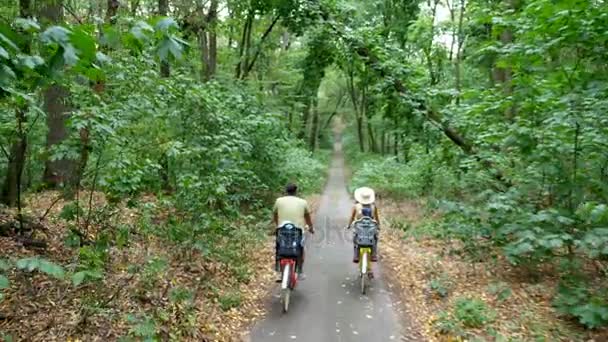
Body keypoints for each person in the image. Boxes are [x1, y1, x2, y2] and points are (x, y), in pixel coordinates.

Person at [272, 183, 314, 280]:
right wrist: (311, 228)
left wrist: (277, 225)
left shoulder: (279, 201)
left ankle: (279, 271)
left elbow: (275, 214)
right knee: (301, 248)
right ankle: (299, 271)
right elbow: (307, 217)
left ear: (286, 191)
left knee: (279, 248)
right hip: (297, 230)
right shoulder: (303, 202)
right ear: (296, 191)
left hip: (282, 229)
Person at [348, 187, 380, 263]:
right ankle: (373, 254)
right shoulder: (373, 207)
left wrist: (349, 225)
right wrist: (378, 226)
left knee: (355, 238)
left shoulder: (356, 206)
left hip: (359, 229)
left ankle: (356, 255)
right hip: (370, 230)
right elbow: (376, 219)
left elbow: (352, 218)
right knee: (375, 238)